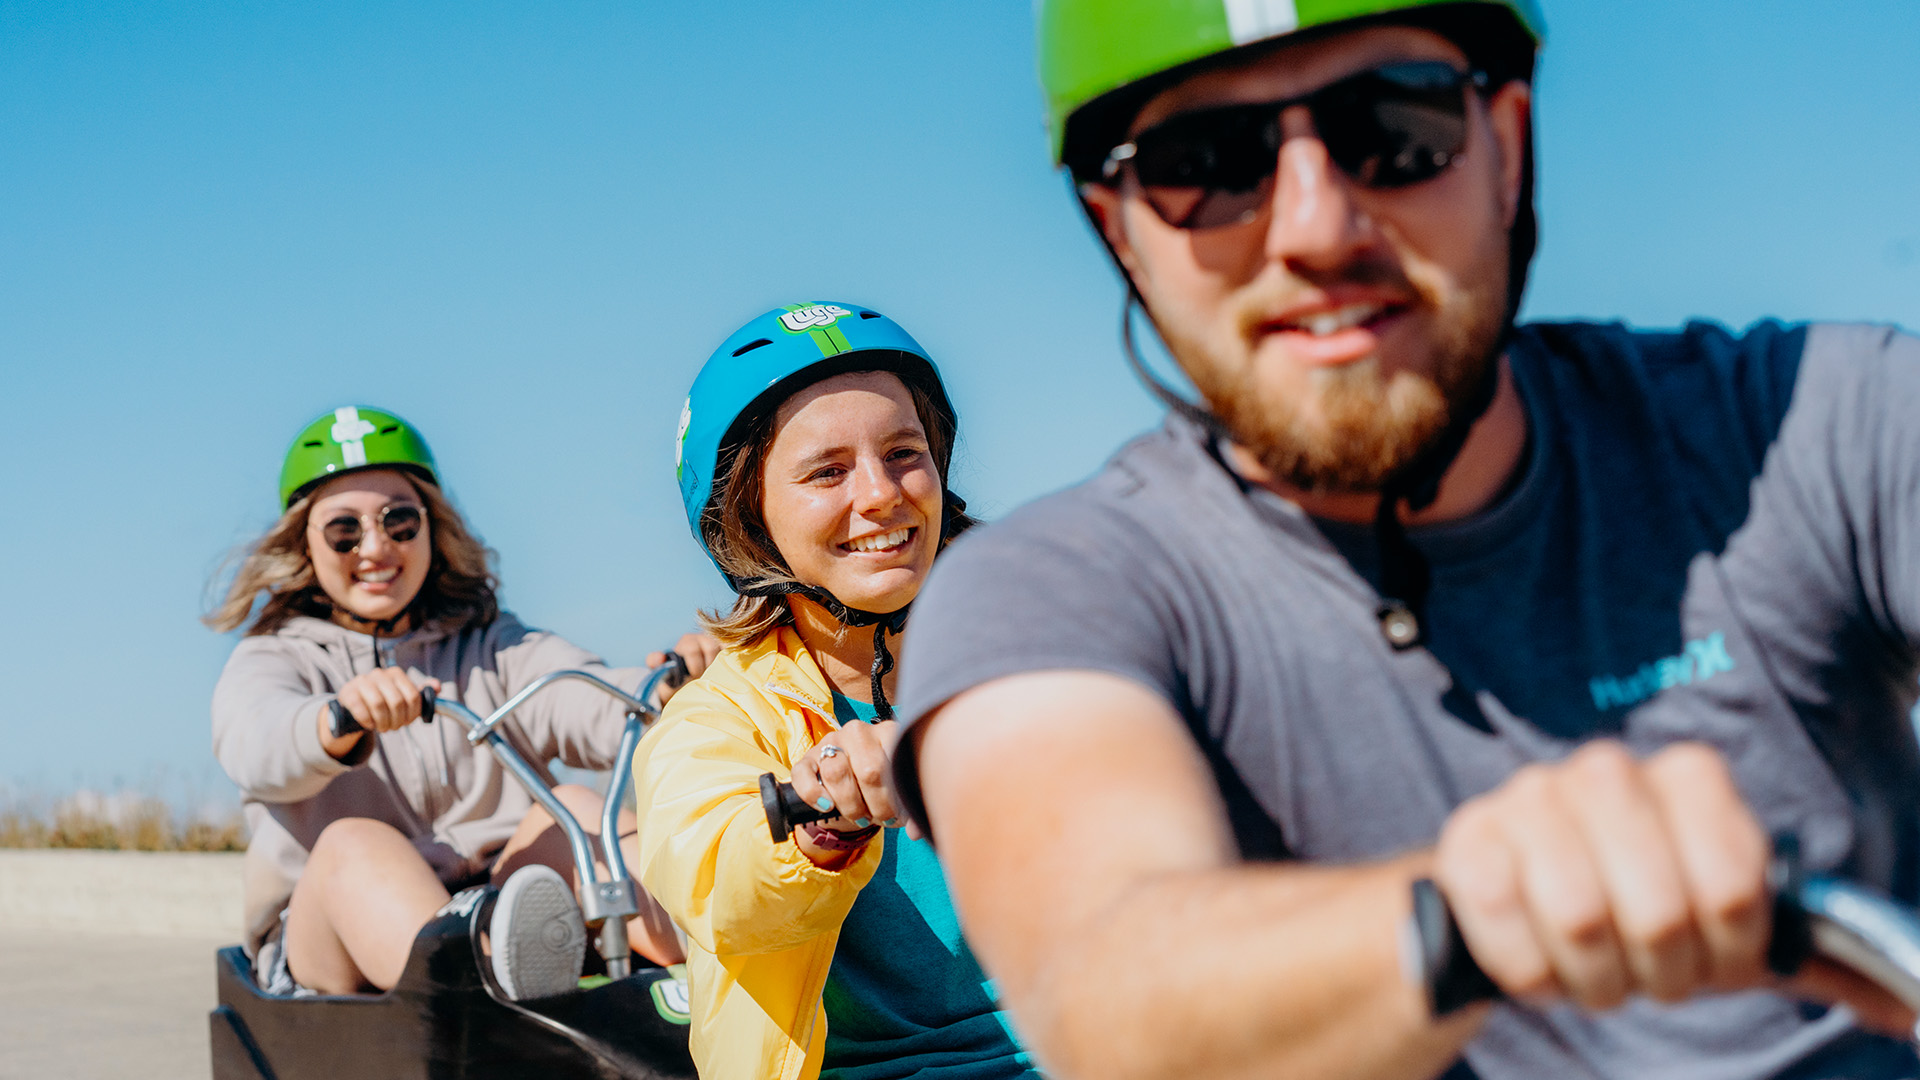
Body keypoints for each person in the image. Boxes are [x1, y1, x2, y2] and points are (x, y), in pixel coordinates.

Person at [887, 4, 1920, 1079]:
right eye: (1206, 162)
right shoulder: (1046, 592)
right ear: (1120, 230)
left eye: (1396, 126)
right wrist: (1478, 915)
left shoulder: (1811, 423)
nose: (1316, 231)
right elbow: (1106, 990)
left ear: (1507, 148)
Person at [633, 304, 1039, 1080]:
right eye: (827, 471)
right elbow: (718, 886)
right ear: (748, 518)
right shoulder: (711, 721)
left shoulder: (1042, 645)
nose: (882, 494)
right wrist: (827, 815)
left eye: (903, 453)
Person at [208, 405, 717, 999]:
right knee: (353, 841)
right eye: (344, 529)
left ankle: (717, 973)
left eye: (399, 521)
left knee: (574, 807)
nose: (374, 547)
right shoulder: (275, 657)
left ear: (431, 528)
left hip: (504, 907)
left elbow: (582, 694)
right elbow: (254, 742)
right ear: (305, 543)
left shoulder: (492, 643)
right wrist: (337, 718)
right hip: (329, 937)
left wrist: (669, 690)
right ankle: (487, 1007)